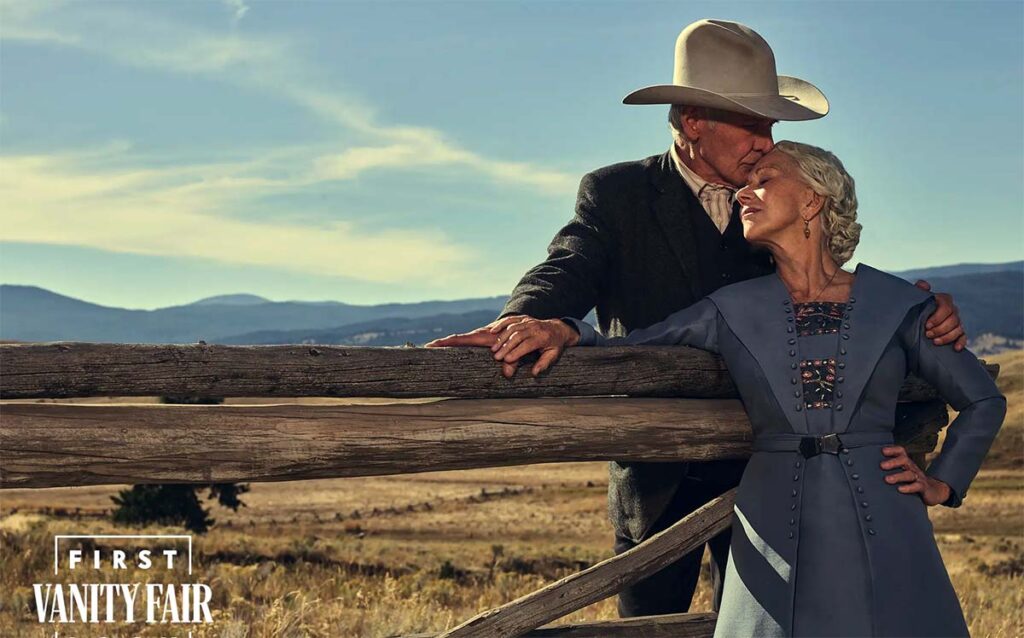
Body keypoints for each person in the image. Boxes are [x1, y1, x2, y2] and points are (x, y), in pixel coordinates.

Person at [425, 19, 967, 617]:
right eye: (754, 124)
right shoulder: (618, 193)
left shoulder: (772, 197)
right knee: (649, 628)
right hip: (656, 474)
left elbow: (830, 280)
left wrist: (920, 305)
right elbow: (569, 266)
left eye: (771, 125)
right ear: (693, 122)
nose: (767, 140)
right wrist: (531, 318)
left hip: (774, 477)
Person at [450, 141, 1007, 637]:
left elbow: (983, 399)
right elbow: (634, 345)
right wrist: (562, 326)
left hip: (884, 509)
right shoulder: (731, 308)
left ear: (813, 201)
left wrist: (942, 483)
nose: (745, 191)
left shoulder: (901, 303)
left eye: (765, 178)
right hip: (771, 508)